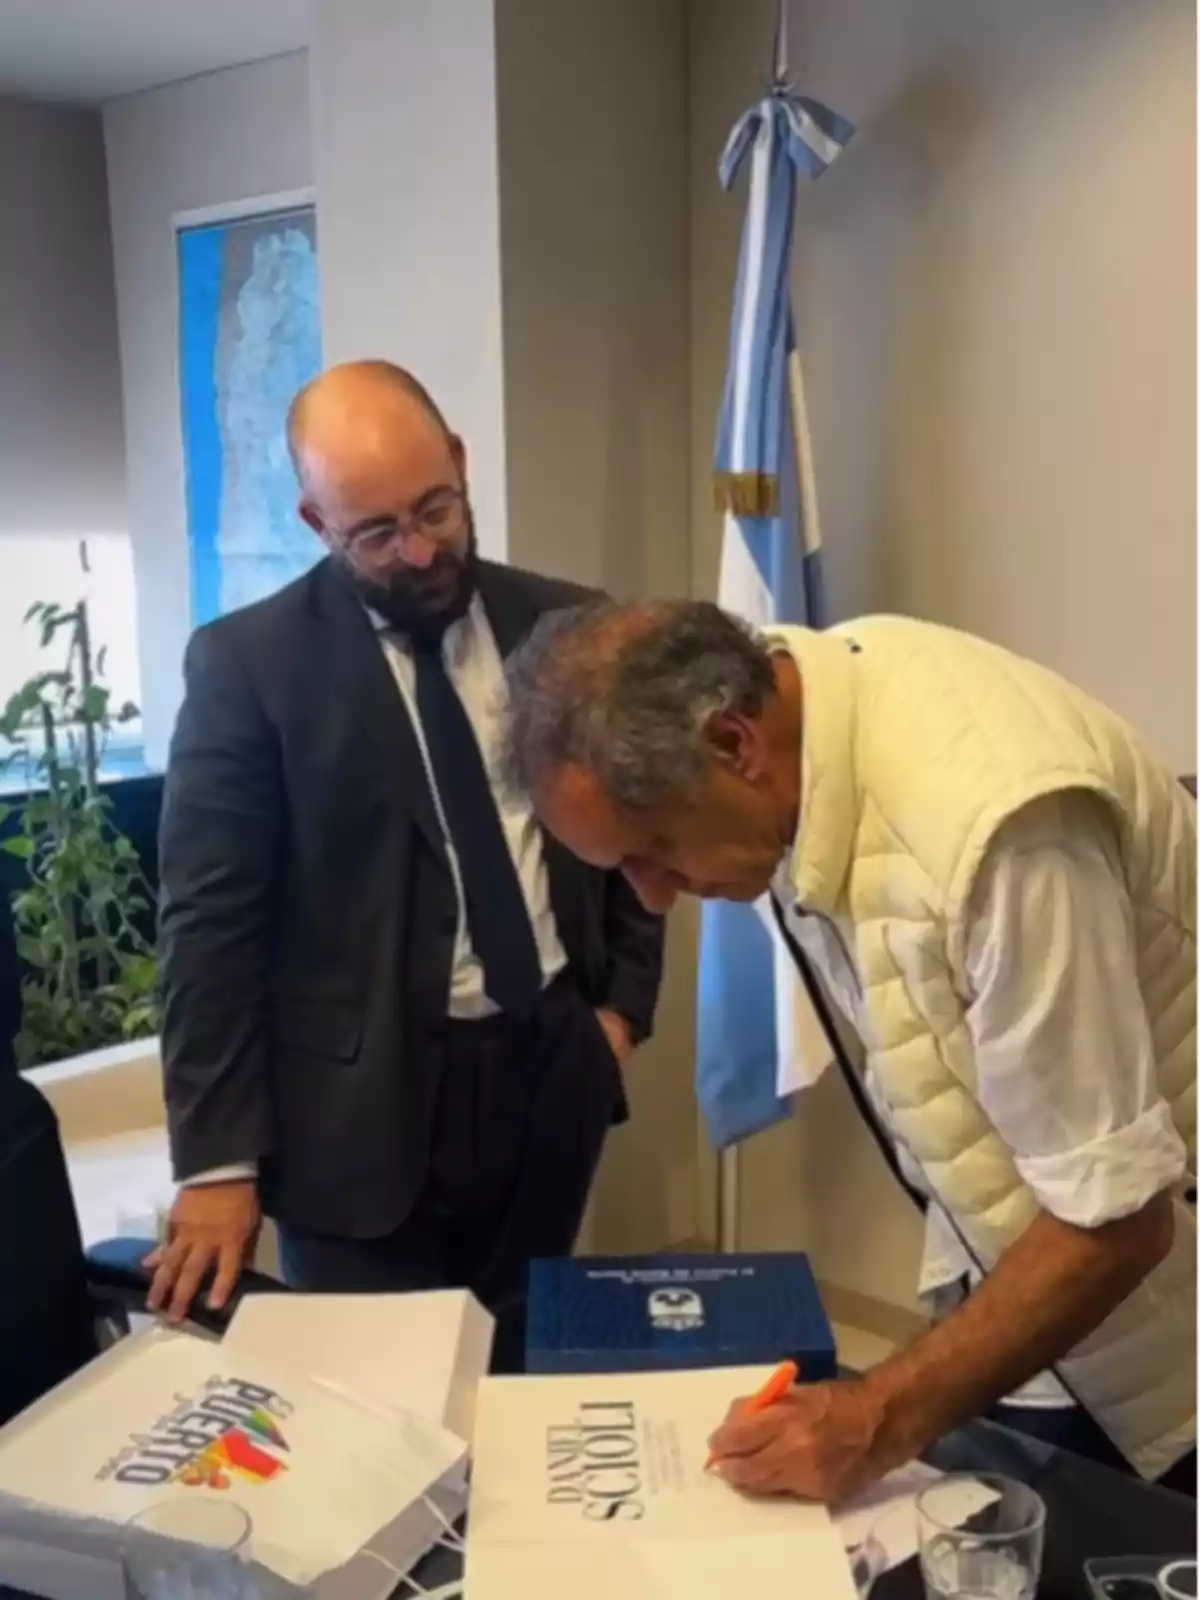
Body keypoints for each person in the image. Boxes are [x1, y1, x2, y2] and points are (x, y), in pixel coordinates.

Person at [499, 598, 1197, 1494]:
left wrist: (879, 1414)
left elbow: (1116, 1219)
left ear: (733, 744)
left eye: (657, 849)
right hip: (1026, 1253)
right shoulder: (807, 710)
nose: (656, 898)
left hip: (1165, 1315)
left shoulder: (999, 830)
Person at [148, 361, 664, 1368]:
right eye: (376, 534)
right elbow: (209, 927)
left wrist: (620, 1015)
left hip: (549, 1071)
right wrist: (216, 1161)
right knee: (379, 1412)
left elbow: (644, 830)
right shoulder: (249, 667)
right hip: (352, 1118)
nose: (421, 550)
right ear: (314, 521)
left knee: (523, 1372)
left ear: (462, 466)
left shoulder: (569, 629)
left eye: (437, 509)